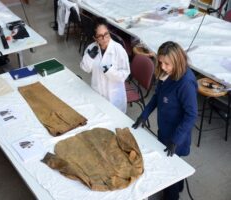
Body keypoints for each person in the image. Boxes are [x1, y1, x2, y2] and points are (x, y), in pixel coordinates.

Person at [132, 41, 198, 200]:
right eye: (161, 62)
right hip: (164, 130)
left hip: (177, 136)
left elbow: (191, 115)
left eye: (167, 64)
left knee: (171, 170)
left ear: (177, 60)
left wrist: (176, 139)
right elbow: (157, 97)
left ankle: (172, 196)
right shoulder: (165, 73)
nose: (163, 67)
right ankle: (178, 184)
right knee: (172, 163)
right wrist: (144, 114)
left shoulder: (186, 83)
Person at [80, 17, 130, 113]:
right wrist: (89, 57)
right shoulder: (91, 48)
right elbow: (85, 68)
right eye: (100, 36)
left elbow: (124, 74)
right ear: (95, 38)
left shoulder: (118, 49)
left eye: (106, 34)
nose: (104, 39)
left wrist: (110, 72)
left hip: (114, 96)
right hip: (97, 92)